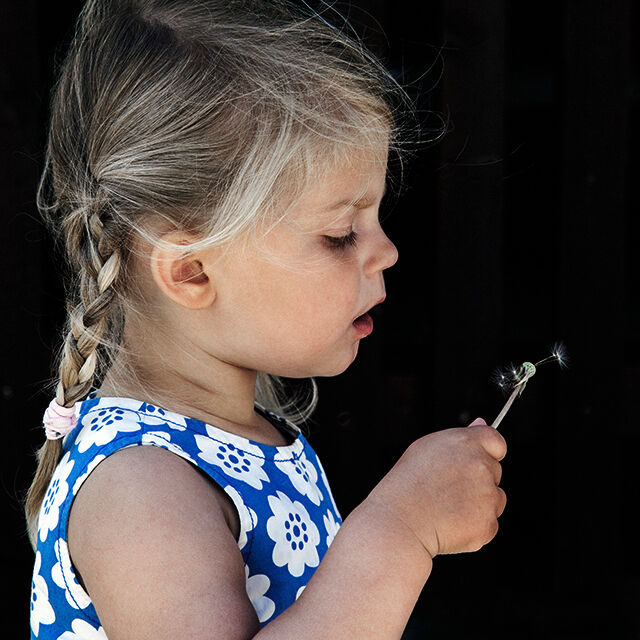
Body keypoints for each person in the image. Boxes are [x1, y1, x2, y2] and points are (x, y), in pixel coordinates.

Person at [26, 1, 507, 638]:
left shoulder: (242, 436)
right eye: (340, 234)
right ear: (192, 271)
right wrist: (402, 529)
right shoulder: (139, 487)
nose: (387, 251)